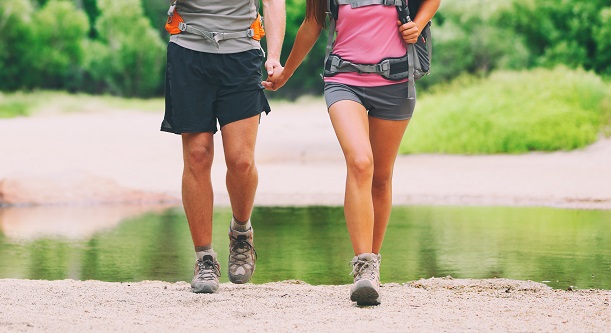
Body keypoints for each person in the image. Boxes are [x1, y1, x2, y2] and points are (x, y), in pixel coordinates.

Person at [262, 0, 440, 305]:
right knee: (360, 161)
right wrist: (286, 73)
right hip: (343, 81)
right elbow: (312, 24)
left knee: (381, 178)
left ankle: (372, 267)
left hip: (396, 83)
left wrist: (420, 22)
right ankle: (363, 266)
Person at [161, 0, 286, 293]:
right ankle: (205, 259)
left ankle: (241, 232)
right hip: (188, 48)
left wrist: (275, 56)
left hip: (242, 52)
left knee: (241, 160)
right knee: (197, 155)